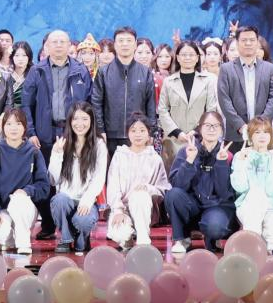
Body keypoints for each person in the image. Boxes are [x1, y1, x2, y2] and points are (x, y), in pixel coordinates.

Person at [0, 108, 50, 256]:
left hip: (24, 207)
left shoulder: (34, 152)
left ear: (25, 127)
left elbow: (44, 187)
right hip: (2, 209)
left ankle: (24, 243)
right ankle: (9, 238)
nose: (13, 128)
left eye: (18, 124)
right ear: (3, 127)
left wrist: (26, 191)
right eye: (9, 124)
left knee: (18, 200)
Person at [166, 110, 236, 255]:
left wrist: (221, 163)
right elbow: (178, 185)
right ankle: (181, 238)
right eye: (207, 125)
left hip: (217, 206)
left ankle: (212, 238)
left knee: (215, 226)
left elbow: (224, 192)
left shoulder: (228, 155)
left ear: (221, 130)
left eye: (216, 126)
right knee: (173, 195)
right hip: (193, 205)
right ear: (200, 127)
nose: (211, 129)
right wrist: (189, 161)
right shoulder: (186, 151)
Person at [104, 113, 170, 250]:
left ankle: (143, 241)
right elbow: (113, 186)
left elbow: (164, 188)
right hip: (122, 209)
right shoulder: (120, 155)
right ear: (127, 133)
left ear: (148, 133)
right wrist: (118, 210)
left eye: (142, 130)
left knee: (139, 195)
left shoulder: (154, 158)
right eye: (133, 130)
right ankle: (127, 240)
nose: (137, 134)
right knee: (119, 233)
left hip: (144, 209)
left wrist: (148, 188)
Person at [48, 101, 106, 254]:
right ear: (70, 121)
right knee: (59, 200)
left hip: (86, 200)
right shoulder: (62, 143)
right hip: (66, 199)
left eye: (85, 119)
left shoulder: (99, 144)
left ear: (91, 121)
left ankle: (82, 237)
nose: (80, 123)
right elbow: (53, 180)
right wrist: (57, 154)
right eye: (76, 119)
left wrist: (87, 201)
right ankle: (65, 238)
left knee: (83, 221)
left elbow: (99, 178)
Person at [92, 27, 158, 158]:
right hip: (110, 135)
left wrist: (150, 132)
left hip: (137, 135)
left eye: (129, 40)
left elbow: (150, 105)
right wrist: (100, 130)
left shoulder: (145, 73)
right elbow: (96, 103)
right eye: (121, 41)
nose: (125, 44)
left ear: (135, 44)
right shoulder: (103, 72)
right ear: (115, 45)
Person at [23, 30, 94, 152]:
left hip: (74, 134)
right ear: (47, 46)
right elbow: (26, 104)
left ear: (69, 45)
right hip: (43, 136)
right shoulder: (36, 71)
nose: (59, 45)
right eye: (54, 42)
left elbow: (90, 103)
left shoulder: (81, 71)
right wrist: (31, 133)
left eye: (62, 42)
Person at [232, 115, 273, 252]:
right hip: (247, 206)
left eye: (266, 132)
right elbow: (240, 187)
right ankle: (254, 249)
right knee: (254, 210)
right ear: (250, 135)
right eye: (257, 132)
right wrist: (241, 163)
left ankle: (263, 246)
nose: (262, 136)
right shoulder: (240, 156)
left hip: (271, 206)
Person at [216, 27, 273, 148]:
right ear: (237, 43)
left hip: (263, 134)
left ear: (257, 42)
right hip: (236, 134)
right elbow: (224, 100)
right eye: (244, 40)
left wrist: (260, 126)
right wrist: (240, 126)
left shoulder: (269, 68)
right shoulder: (226, 69)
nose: (248, 43)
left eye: (252, 40)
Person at [159, 40, 219, 162]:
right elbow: (162, 110)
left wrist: (196, 131)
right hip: (174, 140)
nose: (187, 58)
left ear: (197, 58)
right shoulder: (168, 82)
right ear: (177, 58)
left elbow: (211, 110)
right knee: (175, 171)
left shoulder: (208, 81)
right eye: (184, 54)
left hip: (200, 138)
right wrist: (177, 132)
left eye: (191, 54)